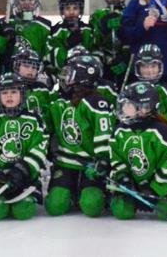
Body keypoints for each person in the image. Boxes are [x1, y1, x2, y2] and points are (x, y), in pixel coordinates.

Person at [44, 55, 114, 217]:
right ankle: (72, 193)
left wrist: (102, 161)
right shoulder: (57, 100)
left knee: (92, 206)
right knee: (55, 206)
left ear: (82, 78)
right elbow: (46, 127)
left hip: (90, 166)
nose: (64, 76)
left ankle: (92, 193)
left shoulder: (97, 103)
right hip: (65, 163)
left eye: (70, 73)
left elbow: (104, 136)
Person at [0, 74, 47, 221]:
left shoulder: (35, 120)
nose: (9, 96)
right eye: (4, 92)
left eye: (14, 92)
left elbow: (39, 148)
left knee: (24, 212)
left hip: (25, 178)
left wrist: (22, 170)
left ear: (22, 94)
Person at [107, 82, 167, 220]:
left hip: (158, 187)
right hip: (133, 187)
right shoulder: (119, 130)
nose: (124, 108)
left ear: (144, 108)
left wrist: (154, 190)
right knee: (122, 212)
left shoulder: (162, 131)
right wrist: (122, 178)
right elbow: (116, 159)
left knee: (166, 213)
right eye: (125, 104)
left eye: (129, 105)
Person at [131, 44, 167, 164]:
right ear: (138, 68)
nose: (149, 70)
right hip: (137, 149)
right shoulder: (130, 92)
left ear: (160, 67)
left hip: (164, 148)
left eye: (153, 66)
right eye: (145, 66)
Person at [0, 0, 54, 73]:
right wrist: (3, 36)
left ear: (36, 1)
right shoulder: (4, 23)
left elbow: (47, 54)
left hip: (34, 72)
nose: (27, 3)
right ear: (15, 1)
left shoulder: (45, 26)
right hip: (8, 74)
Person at [90, 0, 130, 88]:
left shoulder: (130, 13)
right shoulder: (97, 15)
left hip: (127, 65)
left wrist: (124, 58)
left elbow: (134, 38)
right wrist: (106, 59)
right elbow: (94, 43)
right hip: (104, 65)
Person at [48, 0, 96, 72]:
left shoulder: (88, 30)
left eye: (75, 8)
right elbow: (53, 56)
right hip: (64, 73)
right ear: (62, 10)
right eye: (67, 8)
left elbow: (94, 50)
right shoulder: (56, 31)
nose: (71, 12)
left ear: (80, 10)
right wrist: (68, 48)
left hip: (87, 71)